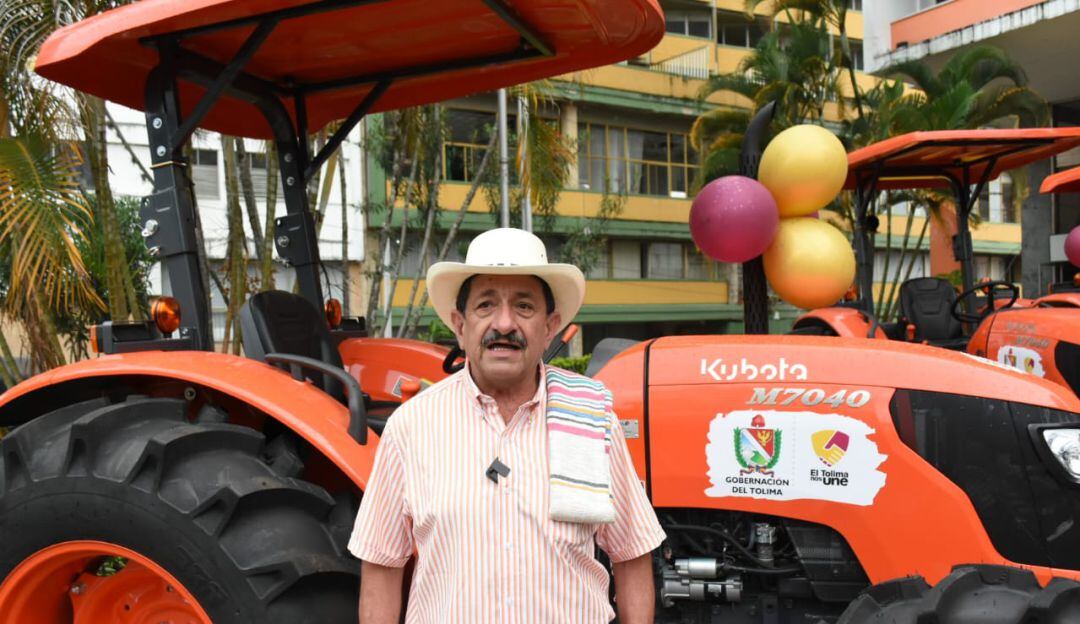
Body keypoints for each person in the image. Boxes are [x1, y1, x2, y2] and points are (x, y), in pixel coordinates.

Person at [348, 228, 665, 623]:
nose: (504, 323)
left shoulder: (591, 416)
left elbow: (632, 552)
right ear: (459, 326)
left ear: (549, 326)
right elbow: (382, 564)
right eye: (485, 305)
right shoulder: (411, 427)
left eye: (524, 307)